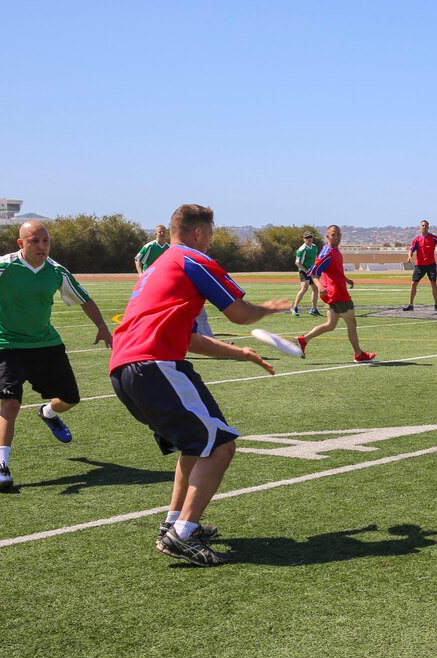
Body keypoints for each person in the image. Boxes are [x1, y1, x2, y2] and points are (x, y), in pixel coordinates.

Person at [110, 204, 291, 566]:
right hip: (155, 364)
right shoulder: (192, 260)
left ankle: (173, 525)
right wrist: (267, 309)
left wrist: (241, 353)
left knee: (195, 447)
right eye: (209, 234)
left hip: (126, 368)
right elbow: (239, 313)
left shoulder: (158, 266)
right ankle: (184, 534)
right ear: (197, 233)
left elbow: (190, 339)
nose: (210, 242)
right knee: (221, 447)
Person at [0, 221, 113, 491]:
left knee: (70, 398)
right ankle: (2, 467)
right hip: (6, 345)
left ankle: (48, 413)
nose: (41, 246)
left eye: (45, 241)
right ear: (21, 243)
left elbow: (84, 298)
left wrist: (102, 326)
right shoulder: (3, 267)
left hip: (46, 344)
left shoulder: (57, 272)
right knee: (10, 403)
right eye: (34, 241)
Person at [294, 225, 376, 362]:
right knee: (352, 323)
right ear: (328, 236)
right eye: (333, 235)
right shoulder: (328, 252)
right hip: (338, 294)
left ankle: (303, 340)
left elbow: (335, 271)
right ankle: (359, 354)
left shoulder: (334, 250)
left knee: (330, 325)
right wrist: (319, 286)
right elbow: (313, 272)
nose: (336, 237)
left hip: (334, 293)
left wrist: (346, 279)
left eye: (338, 234)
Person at [403, 219, 437, 311]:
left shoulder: (433, 238)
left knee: (433, 283)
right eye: (422, 225)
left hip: (431, 265)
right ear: (420, 227)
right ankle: (410, 305)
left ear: (428, 227)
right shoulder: (417, 239)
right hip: (420, 265)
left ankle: (436, 305)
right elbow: (411, 250)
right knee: (413, 283)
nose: (424, 227)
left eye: (425, 225)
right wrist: (409, 257)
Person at [291, 231, 321, 317]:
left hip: (311, 271)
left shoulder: (314, 247)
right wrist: (306, 271)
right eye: (307, 237)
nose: (309, 239)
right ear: (304, 239)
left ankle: (314, 309)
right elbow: (297, 263)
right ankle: (295, 307)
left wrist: (315, 268)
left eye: (310, 237)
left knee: (315, 288)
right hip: (304, 271)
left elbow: (315, 259)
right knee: (304, 288)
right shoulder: (302, 249)